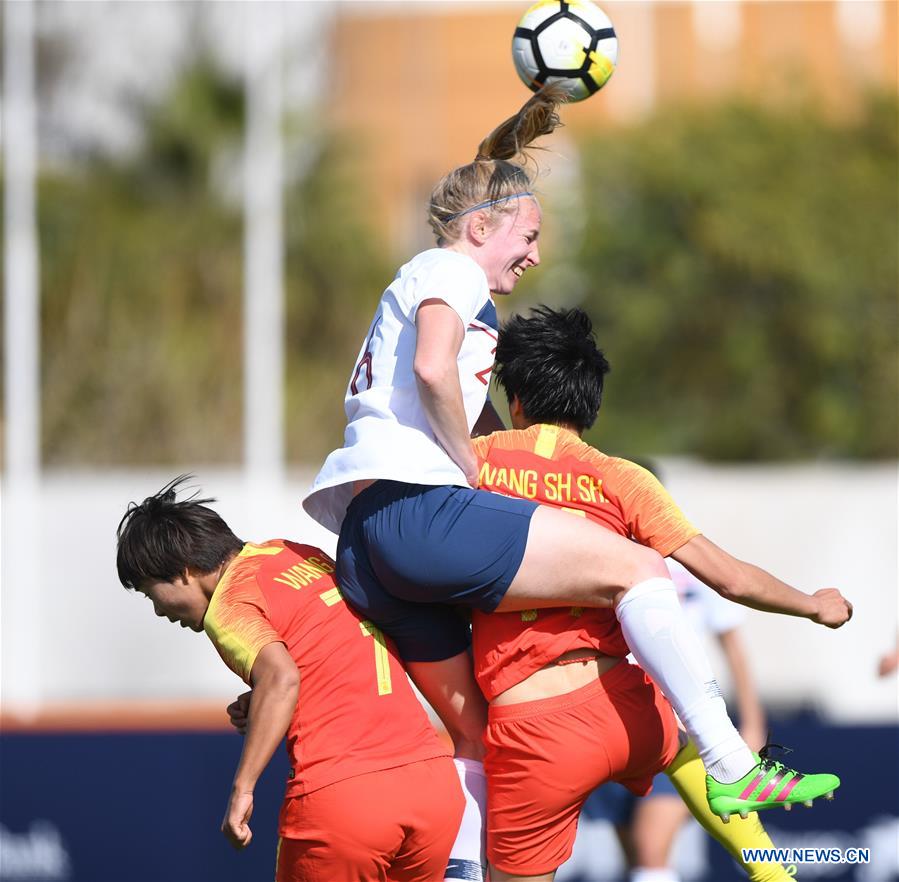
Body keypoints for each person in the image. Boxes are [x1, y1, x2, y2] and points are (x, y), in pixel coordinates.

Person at [302, 84, 851, 836]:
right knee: (636, 568)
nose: (534, 252)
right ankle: (730, 765)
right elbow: (434, 372)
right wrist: (467, 465)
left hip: (366, 540)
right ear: (480, 225)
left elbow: (451, 392)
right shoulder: (451, 272)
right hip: (415, 511)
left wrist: (484, 452)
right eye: (526, 234)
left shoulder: (435, 288)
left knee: (469, 736)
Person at [469, 305, 847, 881]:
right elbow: (731, 578)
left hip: (534, 722)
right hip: (625, 703)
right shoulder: (623, 479)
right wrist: (813, 604)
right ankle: (775, 868)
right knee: (693, 749)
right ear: (591, 402)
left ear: (515, 400)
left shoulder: (474, 464)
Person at [115, 478, 465, 882]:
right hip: (431, 787)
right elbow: (331, 641)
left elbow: (282, 678)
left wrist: (242, 789)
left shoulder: (228, 607)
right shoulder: (291, 554)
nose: (159, 611)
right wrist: (263, 698)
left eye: (150, 593)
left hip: (345, 800)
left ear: (186, 571)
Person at [586, 465, 768, 882]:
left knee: (652, 851)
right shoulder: (596, 565)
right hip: (619, 727)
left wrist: (753, 723)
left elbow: (735, 647)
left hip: (683, 731)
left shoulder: (691, 565)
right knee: (635, 858)